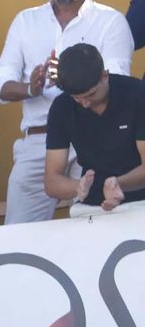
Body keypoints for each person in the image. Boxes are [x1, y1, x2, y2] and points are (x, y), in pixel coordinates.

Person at [0, 0, 134, 225]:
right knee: (19, 232)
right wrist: (32, 88)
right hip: (39, 141)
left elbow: (118, 81)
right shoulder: (26, 21)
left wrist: (70, 78)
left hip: (94, 137)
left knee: (101, 225)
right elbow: (0, 82)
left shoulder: (110, 21)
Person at [44, 43, 145, 213]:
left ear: (104, 76)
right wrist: (78, 187)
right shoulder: (61, 107)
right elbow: (51, 181)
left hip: (141, 200)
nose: (84, 103)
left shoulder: (136, 94)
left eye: (90, 94)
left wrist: (118, 183)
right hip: (92, 205)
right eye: (77, 98)